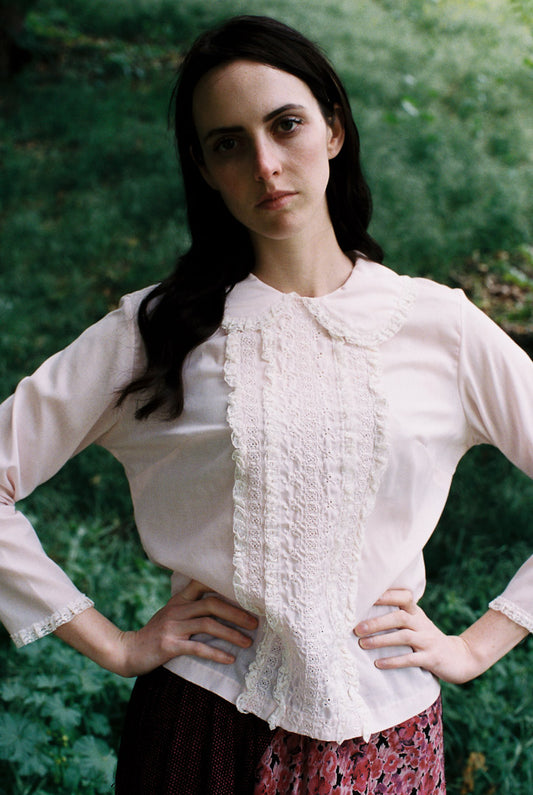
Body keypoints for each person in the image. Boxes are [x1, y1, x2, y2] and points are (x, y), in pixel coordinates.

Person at [0, 14, 531, 794]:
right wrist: (111, 642)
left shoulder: (437, 325)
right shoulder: (159, 331)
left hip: (388, 734)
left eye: (285, 126)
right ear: (207, 170)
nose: (264, 164)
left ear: (333, 131)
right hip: (201, 724)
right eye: (227, 143)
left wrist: (480, 643)